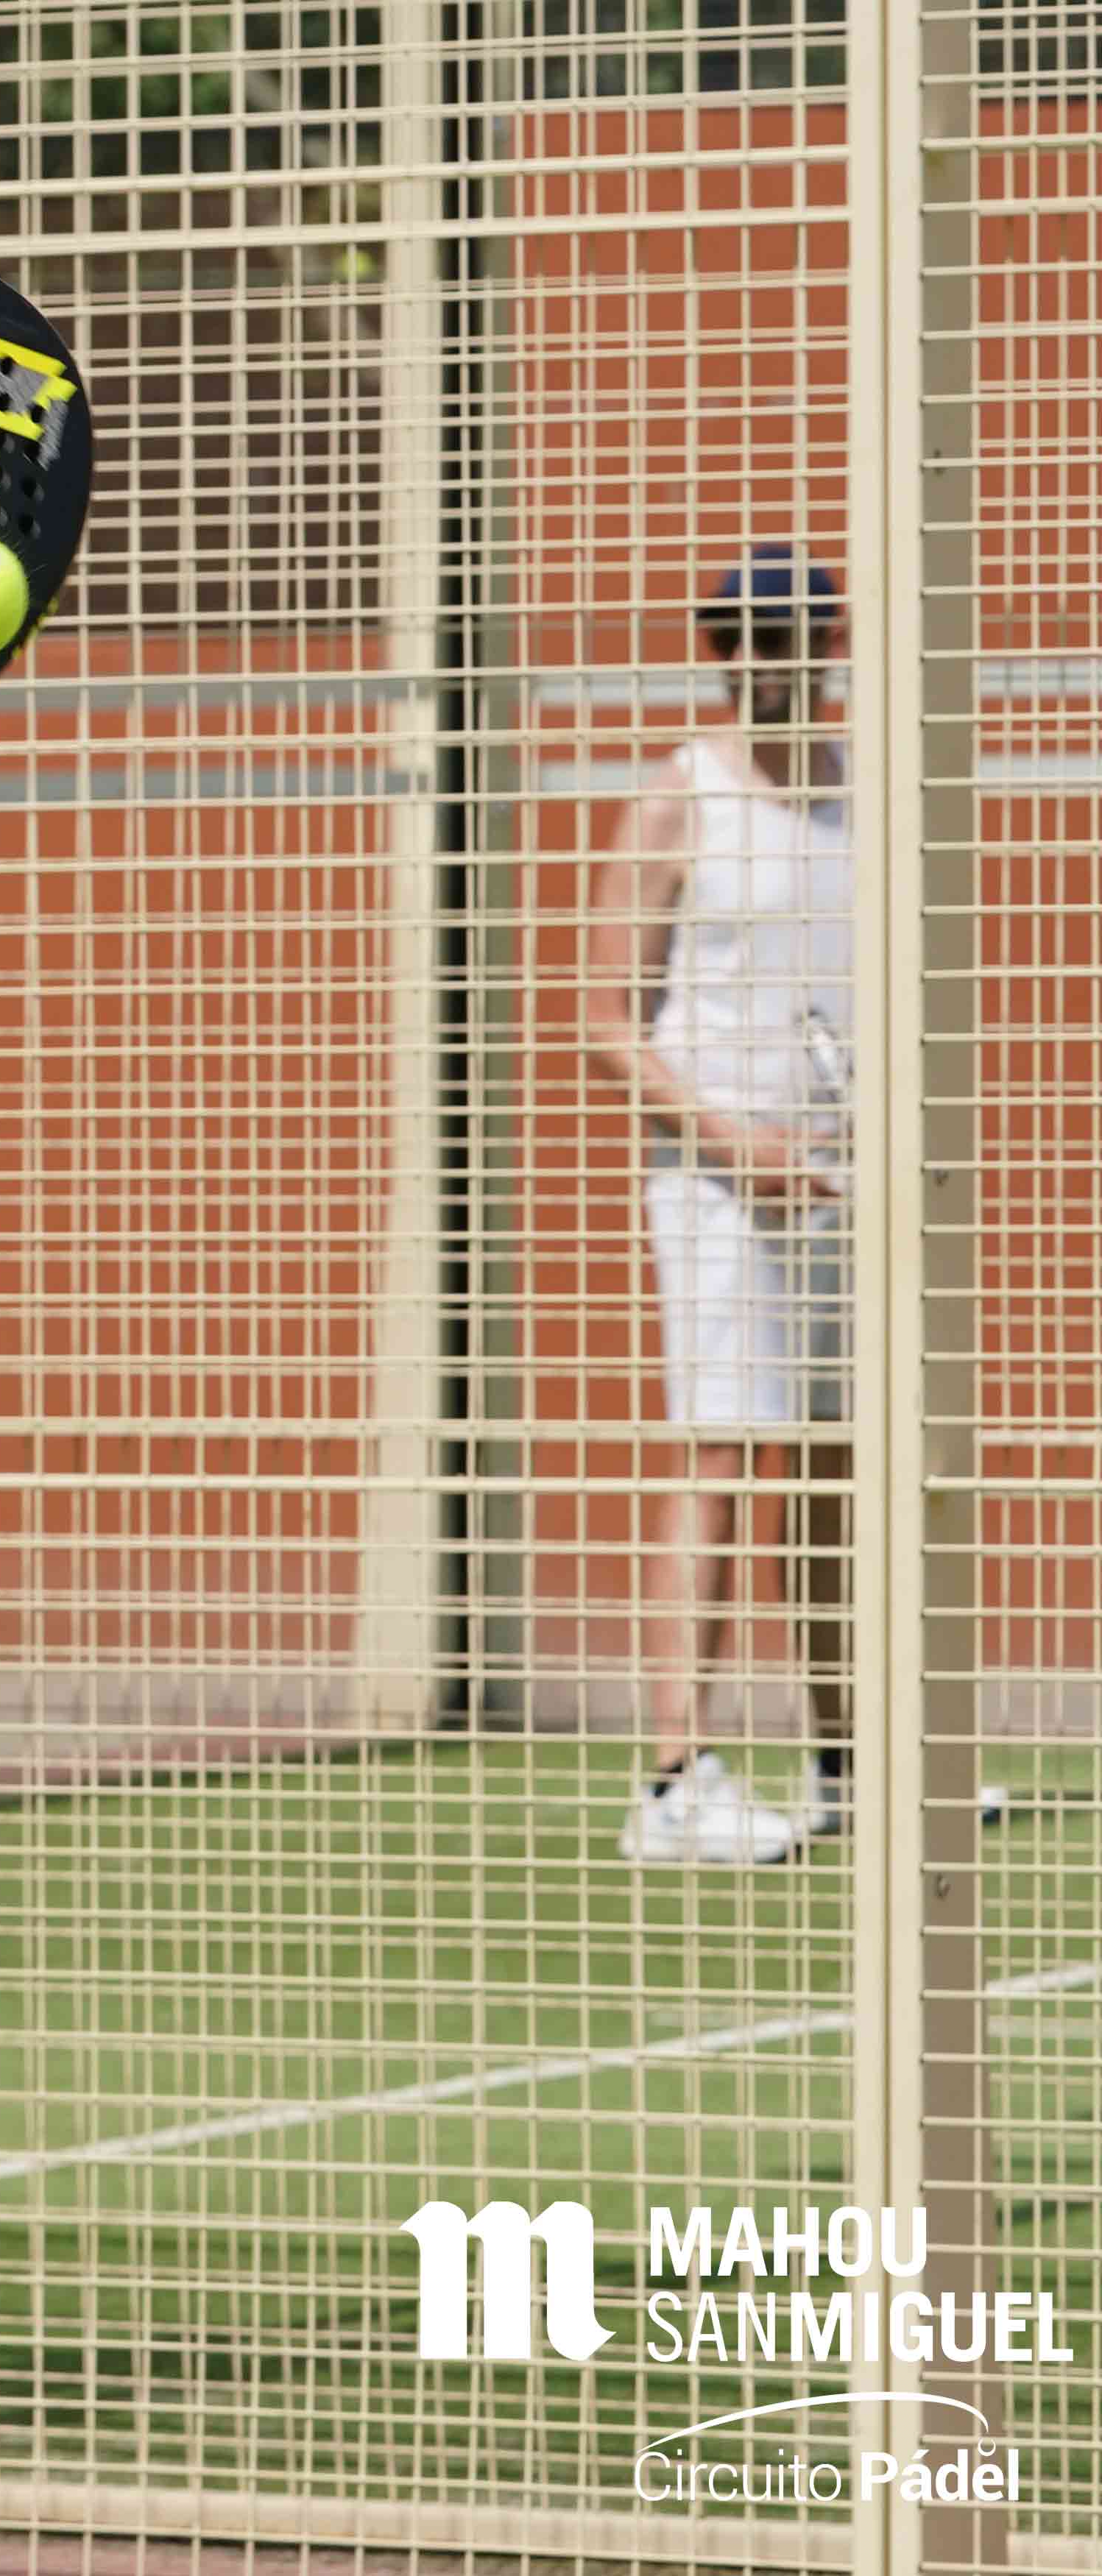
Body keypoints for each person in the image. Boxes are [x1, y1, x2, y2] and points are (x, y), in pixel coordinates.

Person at [584, 547, 853, 1866]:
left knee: (849, 1460)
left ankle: (851, 1760)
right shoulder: (679, 799)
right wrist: (730, 1140)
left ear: (828, 644)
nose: (759, 657)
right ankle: (673, 1780)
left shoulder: (868, 799)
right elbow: (602, 1020)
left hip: (847, 1178)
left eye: (783, 632)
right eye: (737, 635)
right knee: (723, 1455)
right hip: (717, 1182)